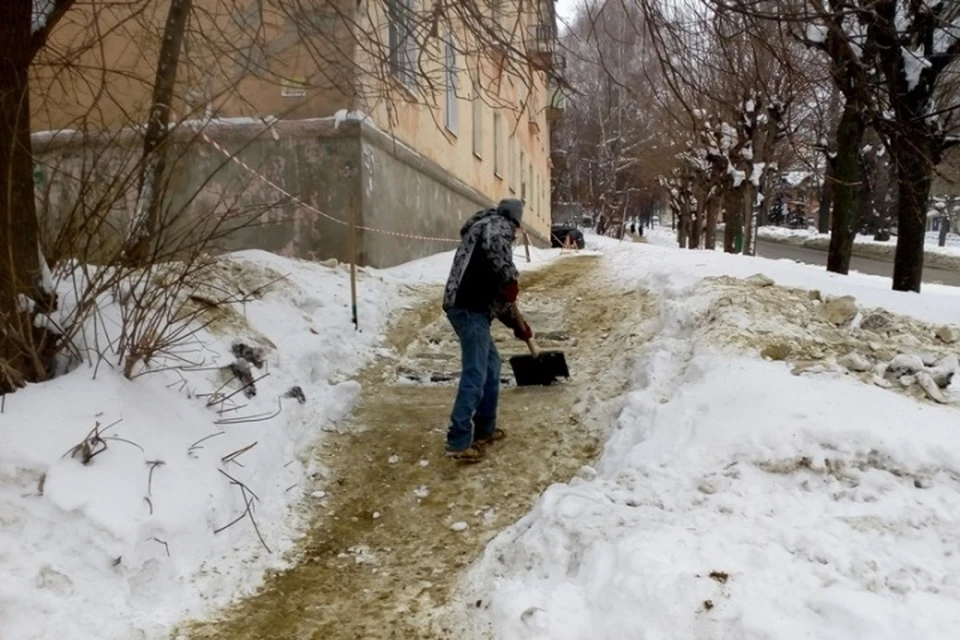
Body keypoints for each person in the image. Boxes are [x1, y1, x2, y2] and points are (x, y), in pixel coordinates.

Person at [441, 198, 532, 462]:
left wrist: (518, 326)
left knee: (491, 366)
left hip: (473, 307)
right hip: (467, 307)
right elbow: (499, 261)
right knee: (476, 372)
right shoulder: (494, 226)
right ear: (513, 220)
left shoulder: (485, 229)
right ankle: (458, 440)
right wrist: (509, 277)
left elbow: (499, 297)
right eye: (516, 226)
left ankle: (484, 430)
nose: (514, 233)